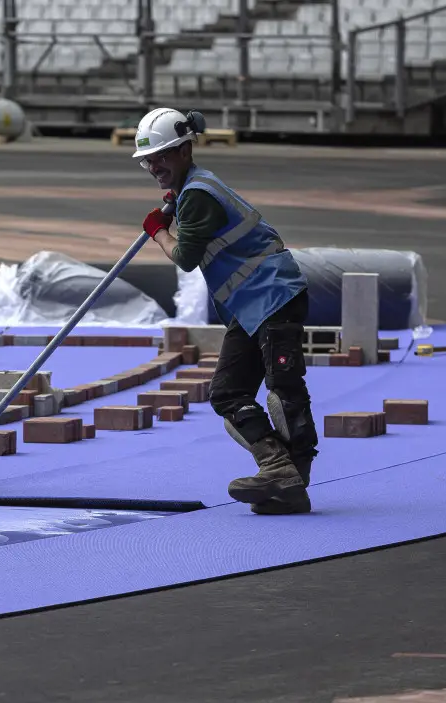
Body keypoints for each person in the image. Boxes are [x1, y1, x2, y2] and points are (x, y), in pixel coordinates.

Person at [132, 107, 317, 515]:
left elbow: (184, 256)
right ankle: (281, 474)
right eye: (148, 159)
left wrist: (158, 230)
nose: (153, 166)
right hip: (249, 304)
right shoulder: (192, 190)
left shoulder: (197, 194)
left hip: (273, 295)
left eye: (161, 155)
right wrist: (174, 206)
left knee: (284, 390)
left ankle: (289, 478)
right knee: (228, 393)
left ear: (184, 149)